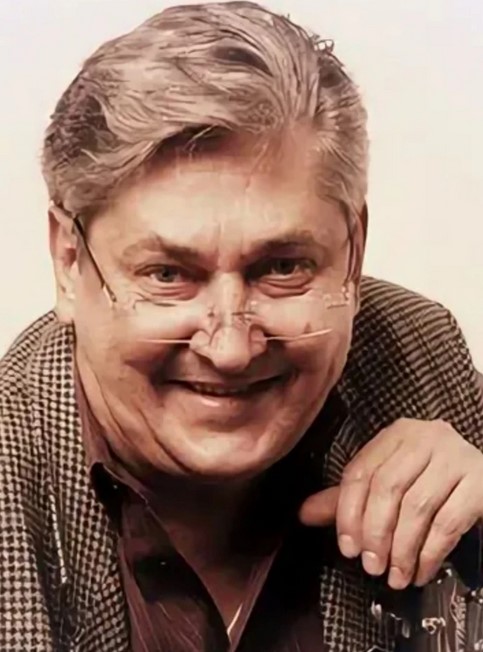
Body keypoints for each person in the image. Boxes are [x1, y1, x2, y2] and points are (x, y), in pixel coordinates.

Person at [1, 2, 482, 651]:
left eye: (281, 268)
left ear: (354, 251)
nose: (229, 350)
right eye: (168, 274)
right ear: (68, 261)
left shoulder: (418, 354)